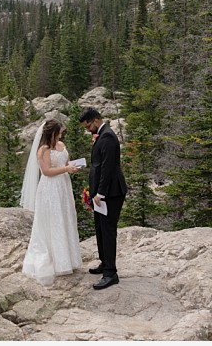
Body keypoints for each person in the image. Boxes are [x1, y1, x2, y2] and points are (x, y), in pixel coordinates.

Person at [20, 119, 83, 285]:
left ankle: (69, 259)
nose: (61, 134)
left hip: (63, 186)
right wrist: (66, 169)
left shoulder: (61, 145)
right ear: (52, 133)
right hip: (50, 188)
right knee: (53, 221)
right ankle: (56, 261)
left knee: (65, 217)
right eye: (59, 132)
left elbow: (64, 163)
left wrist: (72, 166)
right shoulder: (43, 149)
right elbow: (47, 171)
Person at [79, 107, 127, 290]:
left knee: (107, 231)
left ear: (96, 120)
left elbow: (107, 168)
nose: (87, 130)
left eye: (88, 126)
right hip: (101, 192)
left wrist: (100, 193)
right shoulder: (101, 135)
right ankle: (104, 262)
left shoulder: (107, 136)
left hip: (111, 193)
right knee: (100, 228)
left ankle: (111, 273)